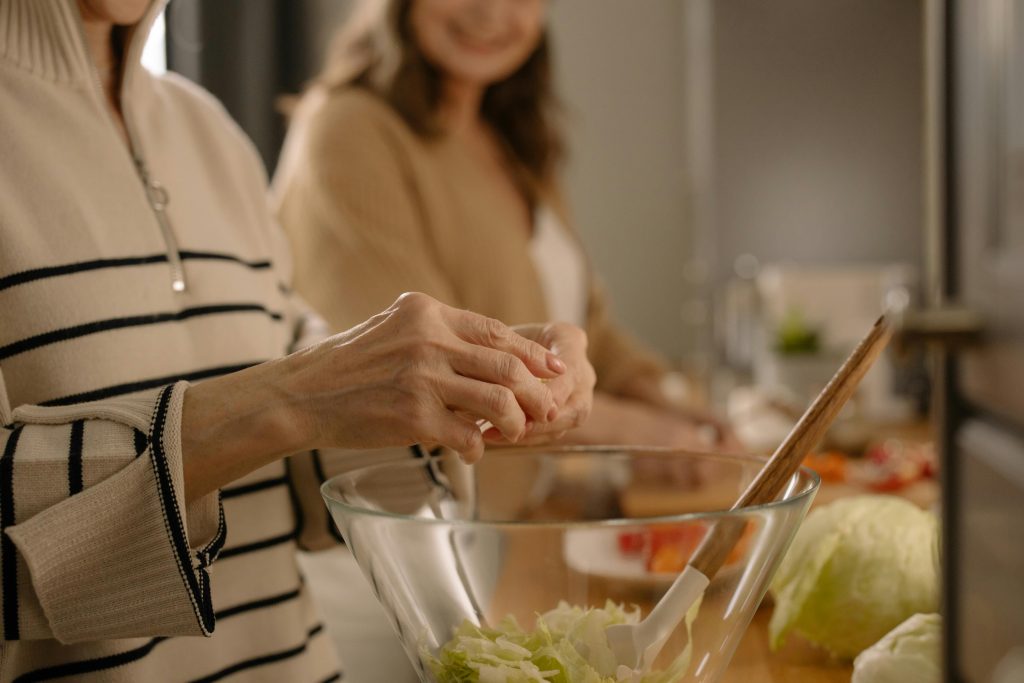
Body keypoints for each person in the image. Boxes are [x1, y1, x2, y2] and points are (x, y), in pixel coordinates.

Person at [0, 0, 595, 680]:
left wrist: (464, 383)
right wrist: (289, 400)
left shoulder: (207, 132)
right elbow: (291, 398)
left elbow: (298, 462)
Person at [273, 0, 736, 452]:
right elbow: (426, 363)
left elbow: (582, 325)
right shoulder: (347, 130)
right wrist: (638, 431)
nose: (491, 13)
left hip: (518, 512)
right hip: (416, 517)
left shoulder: (512, 138)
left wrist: (666, 406)